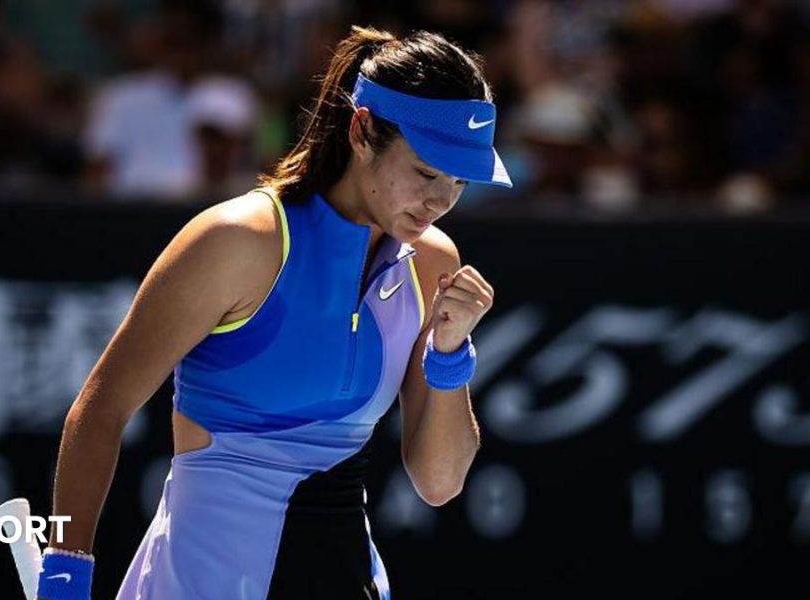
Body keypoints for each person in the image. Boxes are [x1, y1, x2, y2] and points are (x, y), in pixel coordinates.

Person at [36, 25, 512, 600]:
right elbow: (101, 409)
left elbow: (440, 482)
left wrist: (450, 352)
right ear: (361, 131)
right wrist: (66, 575)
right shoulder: (235, 241)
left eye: (460, 180)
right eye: (426, 173)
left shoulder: (433, 261)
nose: (441, 202)